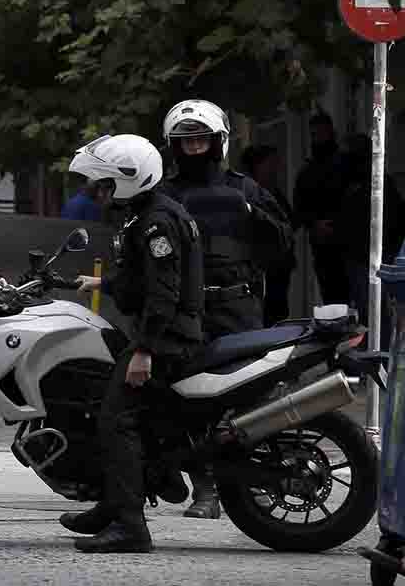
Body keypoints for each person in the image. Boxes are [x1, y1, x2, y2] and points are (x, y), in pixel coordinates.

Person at [59, 134, 205, 553]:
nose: (97, 192)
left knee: (114, 420)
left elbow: (164, 294)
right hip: (165, 333)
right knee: (107, 406)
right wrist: (102, 283)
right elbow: (142, 278)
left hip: (167, 339)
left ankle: (130, 526)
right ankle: (112, 505)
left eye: (103, 184)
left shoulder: (157, 222)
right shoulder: (148, 213)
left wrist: (144, 350)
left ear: (128, 179)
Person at [158, 99, 291, 519]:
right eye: (187, 141)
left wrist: (250, 214)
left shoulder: (246, 189)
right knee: (188, 398)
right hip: (187, 310)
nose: (195, 146)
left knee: (253, 394)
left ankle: (262, 481)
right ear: (174, 147)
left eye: (202, 139)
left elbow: (283, 243)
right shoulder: (165, 194)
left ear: (218, 142)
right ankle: (205, 489)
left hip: (238, 304)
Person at [334, 134, 405, 349]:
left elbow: (392, 221)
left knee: (375, 311)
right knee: (370, 311)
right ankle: (374, 349)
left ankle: (377, 351)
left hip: (371, 257)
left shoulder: (374, 184)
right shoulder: (359, 183)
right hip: (364, 256)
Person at [294, 113, 349, 306]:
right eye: (314, 134)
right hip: (323, 246)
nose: (318, 138)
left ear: (331, 132)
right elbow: (300, 208)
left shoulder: (345, 164)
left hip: (349, 243)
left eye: (322, 132)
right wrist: (314, 224)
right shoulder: (308, 171)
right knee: (332, 299)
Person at [240, 145, 297, 326]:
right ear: (257, 165)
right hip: (263, 267)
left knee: (278, 311)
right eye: (271, 163)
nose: (276, 168)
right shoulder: (251, 193)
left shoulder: (272, 191)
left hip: (279, 265)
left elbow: (288, 223)